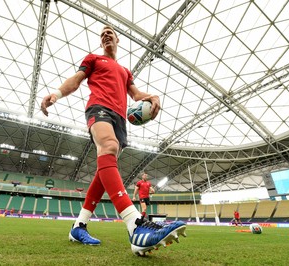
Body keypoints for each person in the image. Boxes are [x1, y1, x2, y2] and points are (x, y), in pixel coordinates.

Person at [41, 25, 186, 255]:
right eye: (102, 34)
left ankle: (79, 225)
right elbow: (76, 80)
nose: (106, 35)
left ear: (118, 39)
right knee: (108, 146)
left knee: (104, 169)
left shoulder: (125, 71)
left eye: (110, 33)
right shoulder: (94, 59)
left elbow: (136, 95)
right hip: (98, 109)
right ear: (101, 43)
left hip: (120, 120)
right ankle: (135, 224)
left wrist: (153, 96)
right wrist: (56, 94)